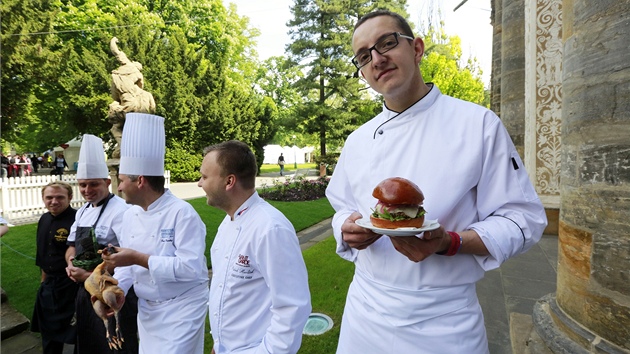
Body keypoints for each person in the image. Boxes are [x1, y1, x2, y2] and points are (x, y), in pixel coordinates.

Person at [325, 10, 548, 354]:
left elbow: (523, 220)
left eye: (386, 43)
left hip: (443, 322)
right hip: (365, 314)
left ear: (416, 48)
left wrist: (451, 242)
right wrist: (347, 226)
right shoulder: (357, 140)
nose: (377, 59)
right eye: (364, 56)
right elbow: (342, 206)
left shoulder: (478, 124)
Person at [102, 113, 208, 354]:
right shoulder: (128, 215)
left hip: (183, 308)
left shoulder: (183, 213)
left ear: (140, 181)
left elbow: (190, 268)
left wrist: (138, 258)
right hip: (148, 310)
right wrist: (118, 291)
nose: (117, 187)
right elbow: (127, 268)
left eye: (121, 181)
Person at [198, 140, 311, 354]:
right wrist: (218, 345)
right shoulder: (227, 223)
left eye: (204, 177)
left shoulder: (270, 229)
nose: (199, 183)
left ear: (229, 181)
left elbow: (293, 308)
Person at [64, 135, 138, 354]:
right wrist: (70, 263)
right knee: (89, 341)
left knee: (115, 345)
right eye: (83, 185)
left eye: (93, 184)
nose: (87, 190)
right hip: (85, 292)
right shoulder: (83, 211)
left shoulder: (122, 211)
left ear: (107, 183)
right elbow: (71, 244)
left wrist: (89, 277)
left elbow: (129, 259)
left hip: (111, 293)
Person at [31, 182, 78, 354]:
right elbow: (42, 252)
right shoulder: (43, 219)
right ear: (43, 199)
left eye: (60, 197)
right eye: (49, 197)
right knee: (49, 333)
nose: (54, 201)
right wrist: (43, 281)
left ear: (70, 198)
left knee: (76, 333)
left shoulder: (78, 219)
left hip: (71, 286)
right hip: (49, 284)